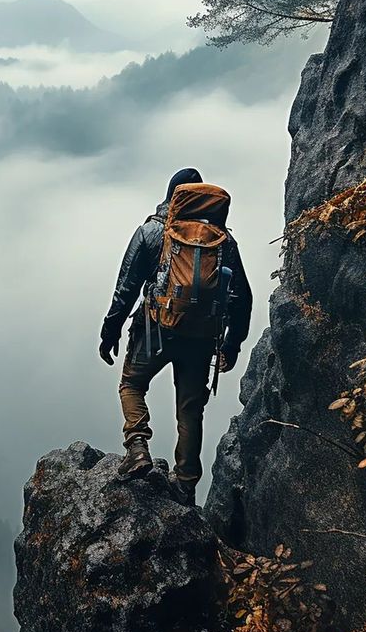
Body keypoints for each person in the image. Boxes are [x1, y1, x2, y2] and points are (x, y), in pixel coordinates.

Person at [99, 168, 252, 506]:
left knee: (132, 385)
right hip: (201, 338)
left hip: (156, 330)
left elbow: (126, 289)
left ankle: (138, 447)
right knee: (190, 411)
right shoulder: (223, 240)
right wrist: (232, 345)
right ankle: (185, 485)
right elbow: (244, 298)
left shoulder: (153, 232)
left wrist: (110, 331)